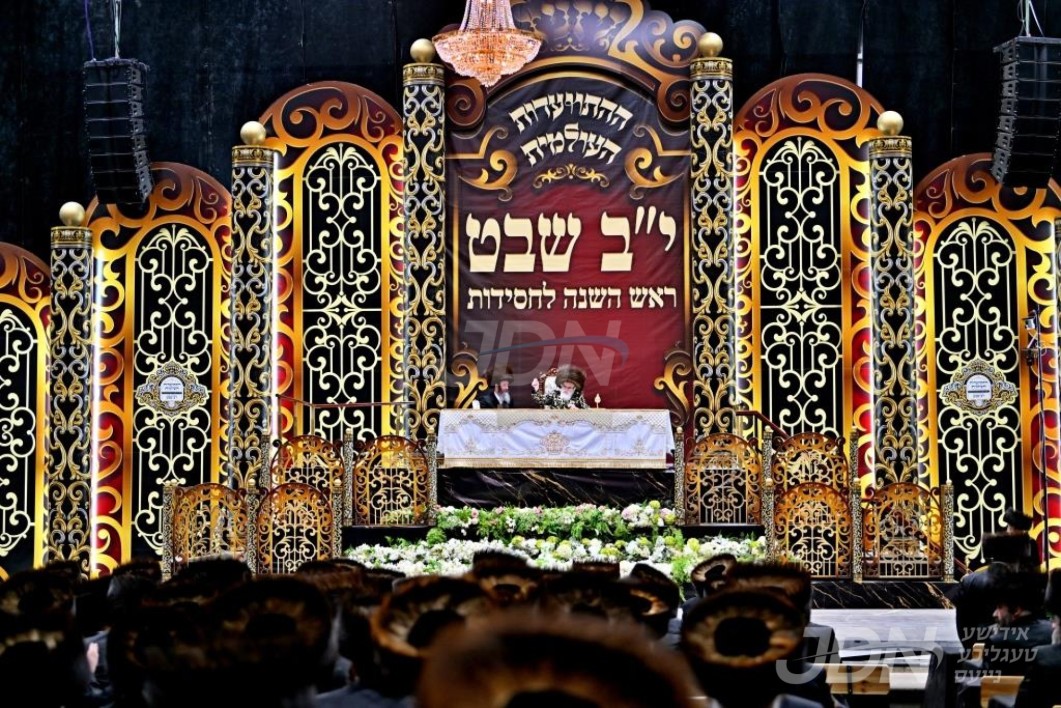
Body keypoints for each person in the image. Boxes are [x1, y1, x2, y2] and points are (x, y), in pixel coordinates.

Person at [1003, 508, 1041, 572]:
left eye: (1009, 527)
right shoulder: (1006, 543)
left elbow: (1036, 566)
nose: (1007, 530)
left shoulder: (1030, 543)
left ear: (1017, 529)